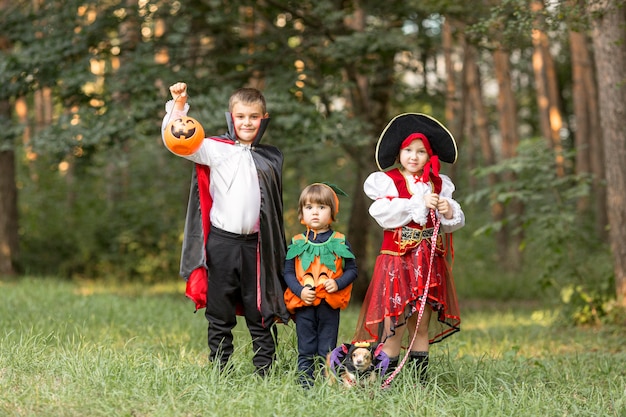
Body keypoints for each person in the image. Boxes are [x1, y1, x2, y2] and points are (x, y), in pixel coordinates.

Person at [161, 82, 290, 376]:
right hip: (222, 243)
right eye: (241, 116)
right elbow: (176, 140)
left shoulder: (272, 157)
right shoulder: (214, 149)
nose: (247, 122)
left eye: (253, 117)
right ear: (231, 117)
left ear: (263, 118)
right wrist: (179, 106)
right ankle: (221, 369)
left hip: (257, 246)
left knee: (260, 309)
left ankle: (264, 371)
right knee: (220, 310)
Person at [352, 113, 465, 383]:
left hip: (427, 265)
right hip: (397, 264)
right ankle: (385, 382)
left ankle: (419, 384)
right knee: (395, 324)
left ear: (430, 156)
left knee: (421, 325)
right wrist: (416, 204)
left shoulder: (439, 184)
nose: (414, 157)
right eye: (408, 150)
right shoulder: (388, 181)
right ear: (399, 152)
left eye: (421, 152)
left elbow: (451, 224)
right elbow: (381, 213)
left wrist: (447, 209)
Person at [283, 183, 358, 387]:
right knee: (306, 346)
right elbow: (288, 272)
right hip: (304, 304)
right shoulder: (297, 242)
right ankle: (305, 385)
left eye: (322, 207)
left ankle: (327, 384)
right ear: (301, 213)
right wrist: (299, 291)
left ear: (333, 212)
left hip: (329, 305)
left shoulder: (340, 241)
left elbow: (352, 270)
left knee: (327, 347)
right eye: (309, 207)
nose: (315, 212)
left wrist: (338, 282)